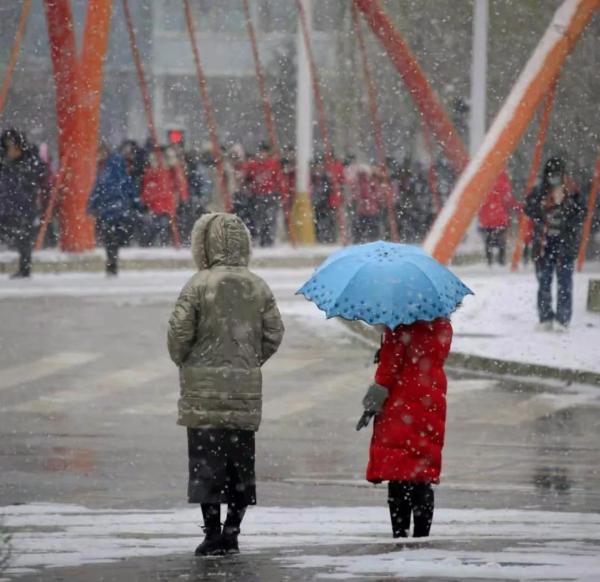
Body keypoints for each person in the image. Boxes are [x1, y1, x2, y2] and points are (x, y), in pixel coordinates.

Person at [167, 213, 284, 556]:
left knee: (207, 465)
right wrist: (249, 361)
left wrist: (188, 360)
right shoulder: (257, 285)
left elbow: (178, 334)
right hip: (243, 392)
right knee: (239, 465)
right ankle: (233, 531)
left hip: (203, 393)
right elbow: (274, 333)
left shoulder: (199, 284)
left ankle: (212, 533)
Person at [357, 318, 453, 538]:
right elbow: (428, 355)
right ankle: (422, 534)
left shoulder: (401, 327)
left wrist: (373, 400)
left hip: (402, 402)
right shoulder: (442, 324)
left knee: (398, 472)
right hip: (431, 397)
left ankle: (400, 533)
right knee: (422, 473)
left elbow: (388, 371)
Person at [524, 157, 585, 331]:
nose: (554, 179)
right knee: (544, 281)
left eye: (557, 175)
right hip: (544, 244)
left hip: (565, 244)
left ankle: (562, 319)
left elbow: (581, 214)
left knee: (564, 282)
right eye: (551, 175)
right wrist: (546, 205)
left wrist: (565, 204)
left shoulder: (572, 192)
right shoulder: (539, 192)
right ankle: (545, 317)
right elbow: (528, 208)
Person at [0, 129, 46, 278]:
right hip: (6, 207)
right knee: (20, 238)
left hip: (23, 208)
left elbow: (37, 177)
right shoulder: (6, 163)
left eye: (13, 146)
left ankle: (25, 268)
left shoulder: (29, 162)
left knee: (23, 240)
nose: (10, 150)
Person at [88, 145, 138, 275]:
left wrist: (92, 206)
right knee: (114, 238)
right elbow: (129, 187)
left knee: (109, 238)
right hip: (119, 209)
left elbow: (98, 190)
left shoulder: (105, 173)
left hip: (109, 210)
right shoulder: (119, 171)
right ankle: (112, 261)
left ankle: (111, 262)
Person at [478, 172, 519, 266]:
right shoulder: (504, 181)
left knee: (488, 240)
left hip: (486, 217)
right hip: (500, 217)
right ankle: (501, 261)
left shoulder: (484, 180)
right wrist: (517, 207)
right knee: (501, 240)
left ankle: (489, 261)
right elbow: (509, 200)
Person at [244, 143, 281, 247]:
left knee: (270, 218)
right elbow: (247, 179)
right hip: (257, 195)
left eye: (264, 152)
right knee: (258, 219)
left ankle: (268, 240)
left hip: (270, 194)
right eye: (260, 152)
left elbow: (278, 179)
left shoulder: (273, 164)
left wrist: (279, 193)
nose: (262, 154)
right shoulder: (253, 165)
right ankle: (259, 238)